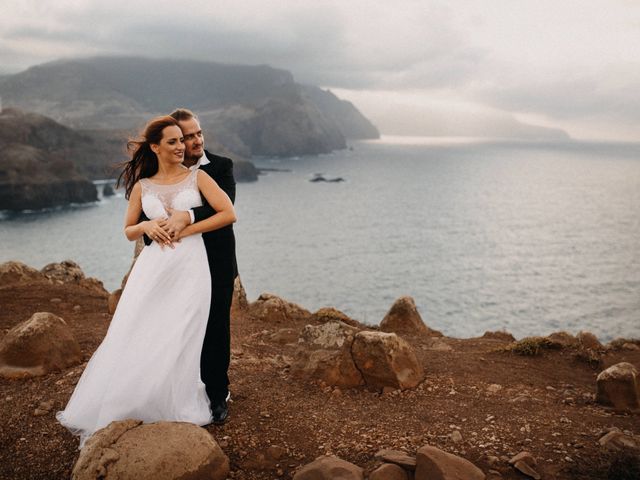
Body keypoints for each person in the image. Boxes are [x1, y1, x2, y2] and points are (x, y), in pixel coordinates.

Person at [56, 116, 236, 447]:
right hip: (153, 268)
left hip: (190, 265)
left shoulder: (200, 177)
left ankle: (180, 398)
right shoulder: (142, 186)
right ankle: (137, 398)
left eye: (183, 140)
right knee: (143, 328)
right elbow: (128, 230)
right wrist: (147, 228)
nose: (182, 146)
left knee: (185, 330)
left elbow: (228, 213)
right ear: (155, 147)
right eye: (173, 141)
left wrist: (186, 227)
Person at [145, 108, 237, 424]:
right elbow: (145, 220)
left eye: (199, 133)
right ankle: (176, 392)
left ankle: (216, 394)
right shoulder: (158, 174)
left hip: (216, 264)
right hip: (173, 265)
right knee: (175, 328)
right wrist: (152, 228)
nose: (196, 141)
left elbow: (223, 209)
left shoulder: (221, 167)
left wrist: (187, 216)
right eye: (188, 136)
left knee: (214, 328)